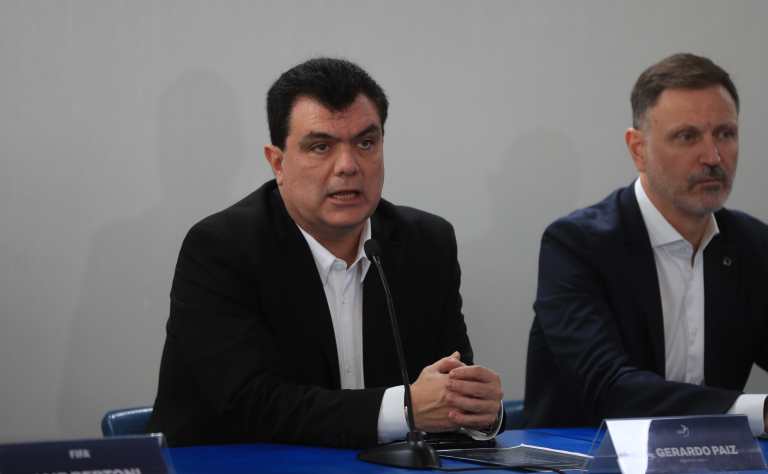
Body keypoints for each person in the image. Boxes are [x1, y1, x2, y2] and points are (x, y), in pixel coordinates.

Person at [148, 57, 503, 448]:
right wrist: (403, 410)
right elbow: (249, 405)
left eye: (366, 143)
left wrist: (479, 410)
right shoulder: (221, 249)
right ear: (278, 163)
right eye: (321, 147)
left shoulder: (426, 244)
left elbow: (447, 388)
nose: (348, 166)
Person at [524, 53, 768, 435]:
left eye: (725, 134)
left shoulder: (752, 244)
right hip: (590, 455)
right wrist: (760, 412)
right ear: (638, 149)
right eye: (687, 137)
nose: (713, 157)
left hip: (716, 457)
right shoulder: (576, 246)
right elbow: (609, 388)